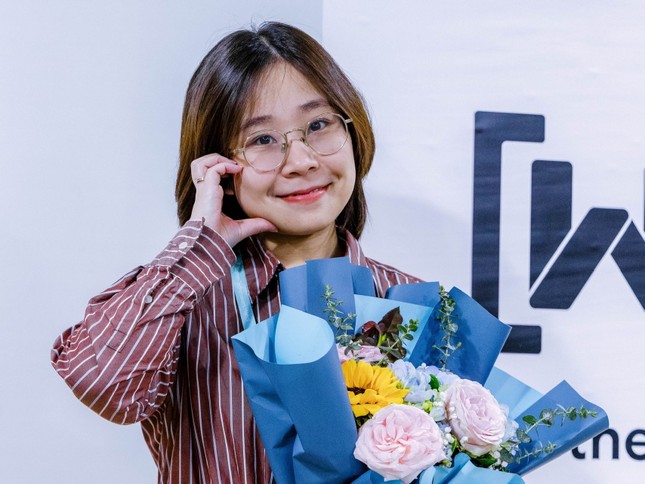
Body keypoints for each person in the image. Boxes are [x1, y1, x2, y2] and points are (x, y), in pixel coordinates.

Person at [52, 21, 420, 483]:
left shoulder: (407, 301)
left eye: (319, 125)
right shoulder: (183, 302)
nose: (301, 161)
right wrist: (197, 245)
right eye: (262, 140)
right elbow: (105, 386)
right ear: (219, 169)